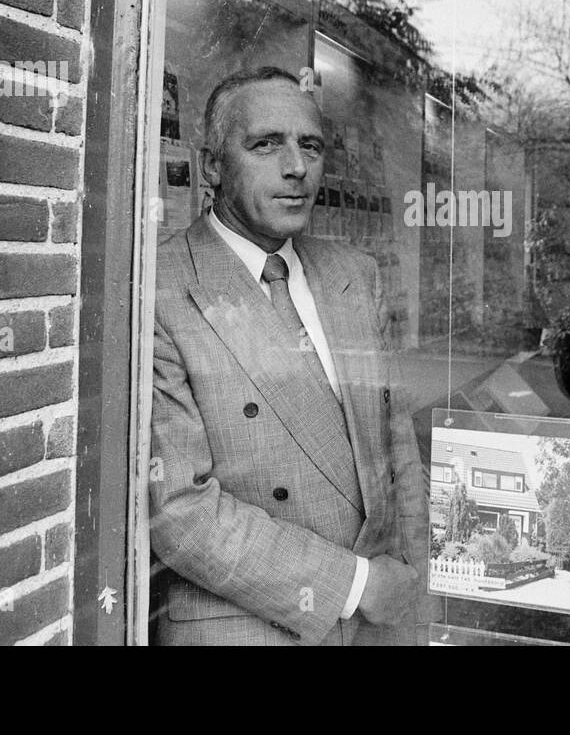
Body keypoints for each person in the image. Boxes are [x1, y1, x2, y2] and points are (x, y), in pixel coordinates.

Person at [149, 66, 429, 645]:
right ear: (211, 167)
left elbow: (397, 449)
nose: (296, 167)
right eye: (265, 144)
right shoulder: (159, 289)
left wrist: (415, 590)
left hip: (383, 620)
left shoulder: (354, 275)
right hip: (250, 625)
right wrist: (356, 585)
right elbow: (178, 511)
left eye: (310, 146)